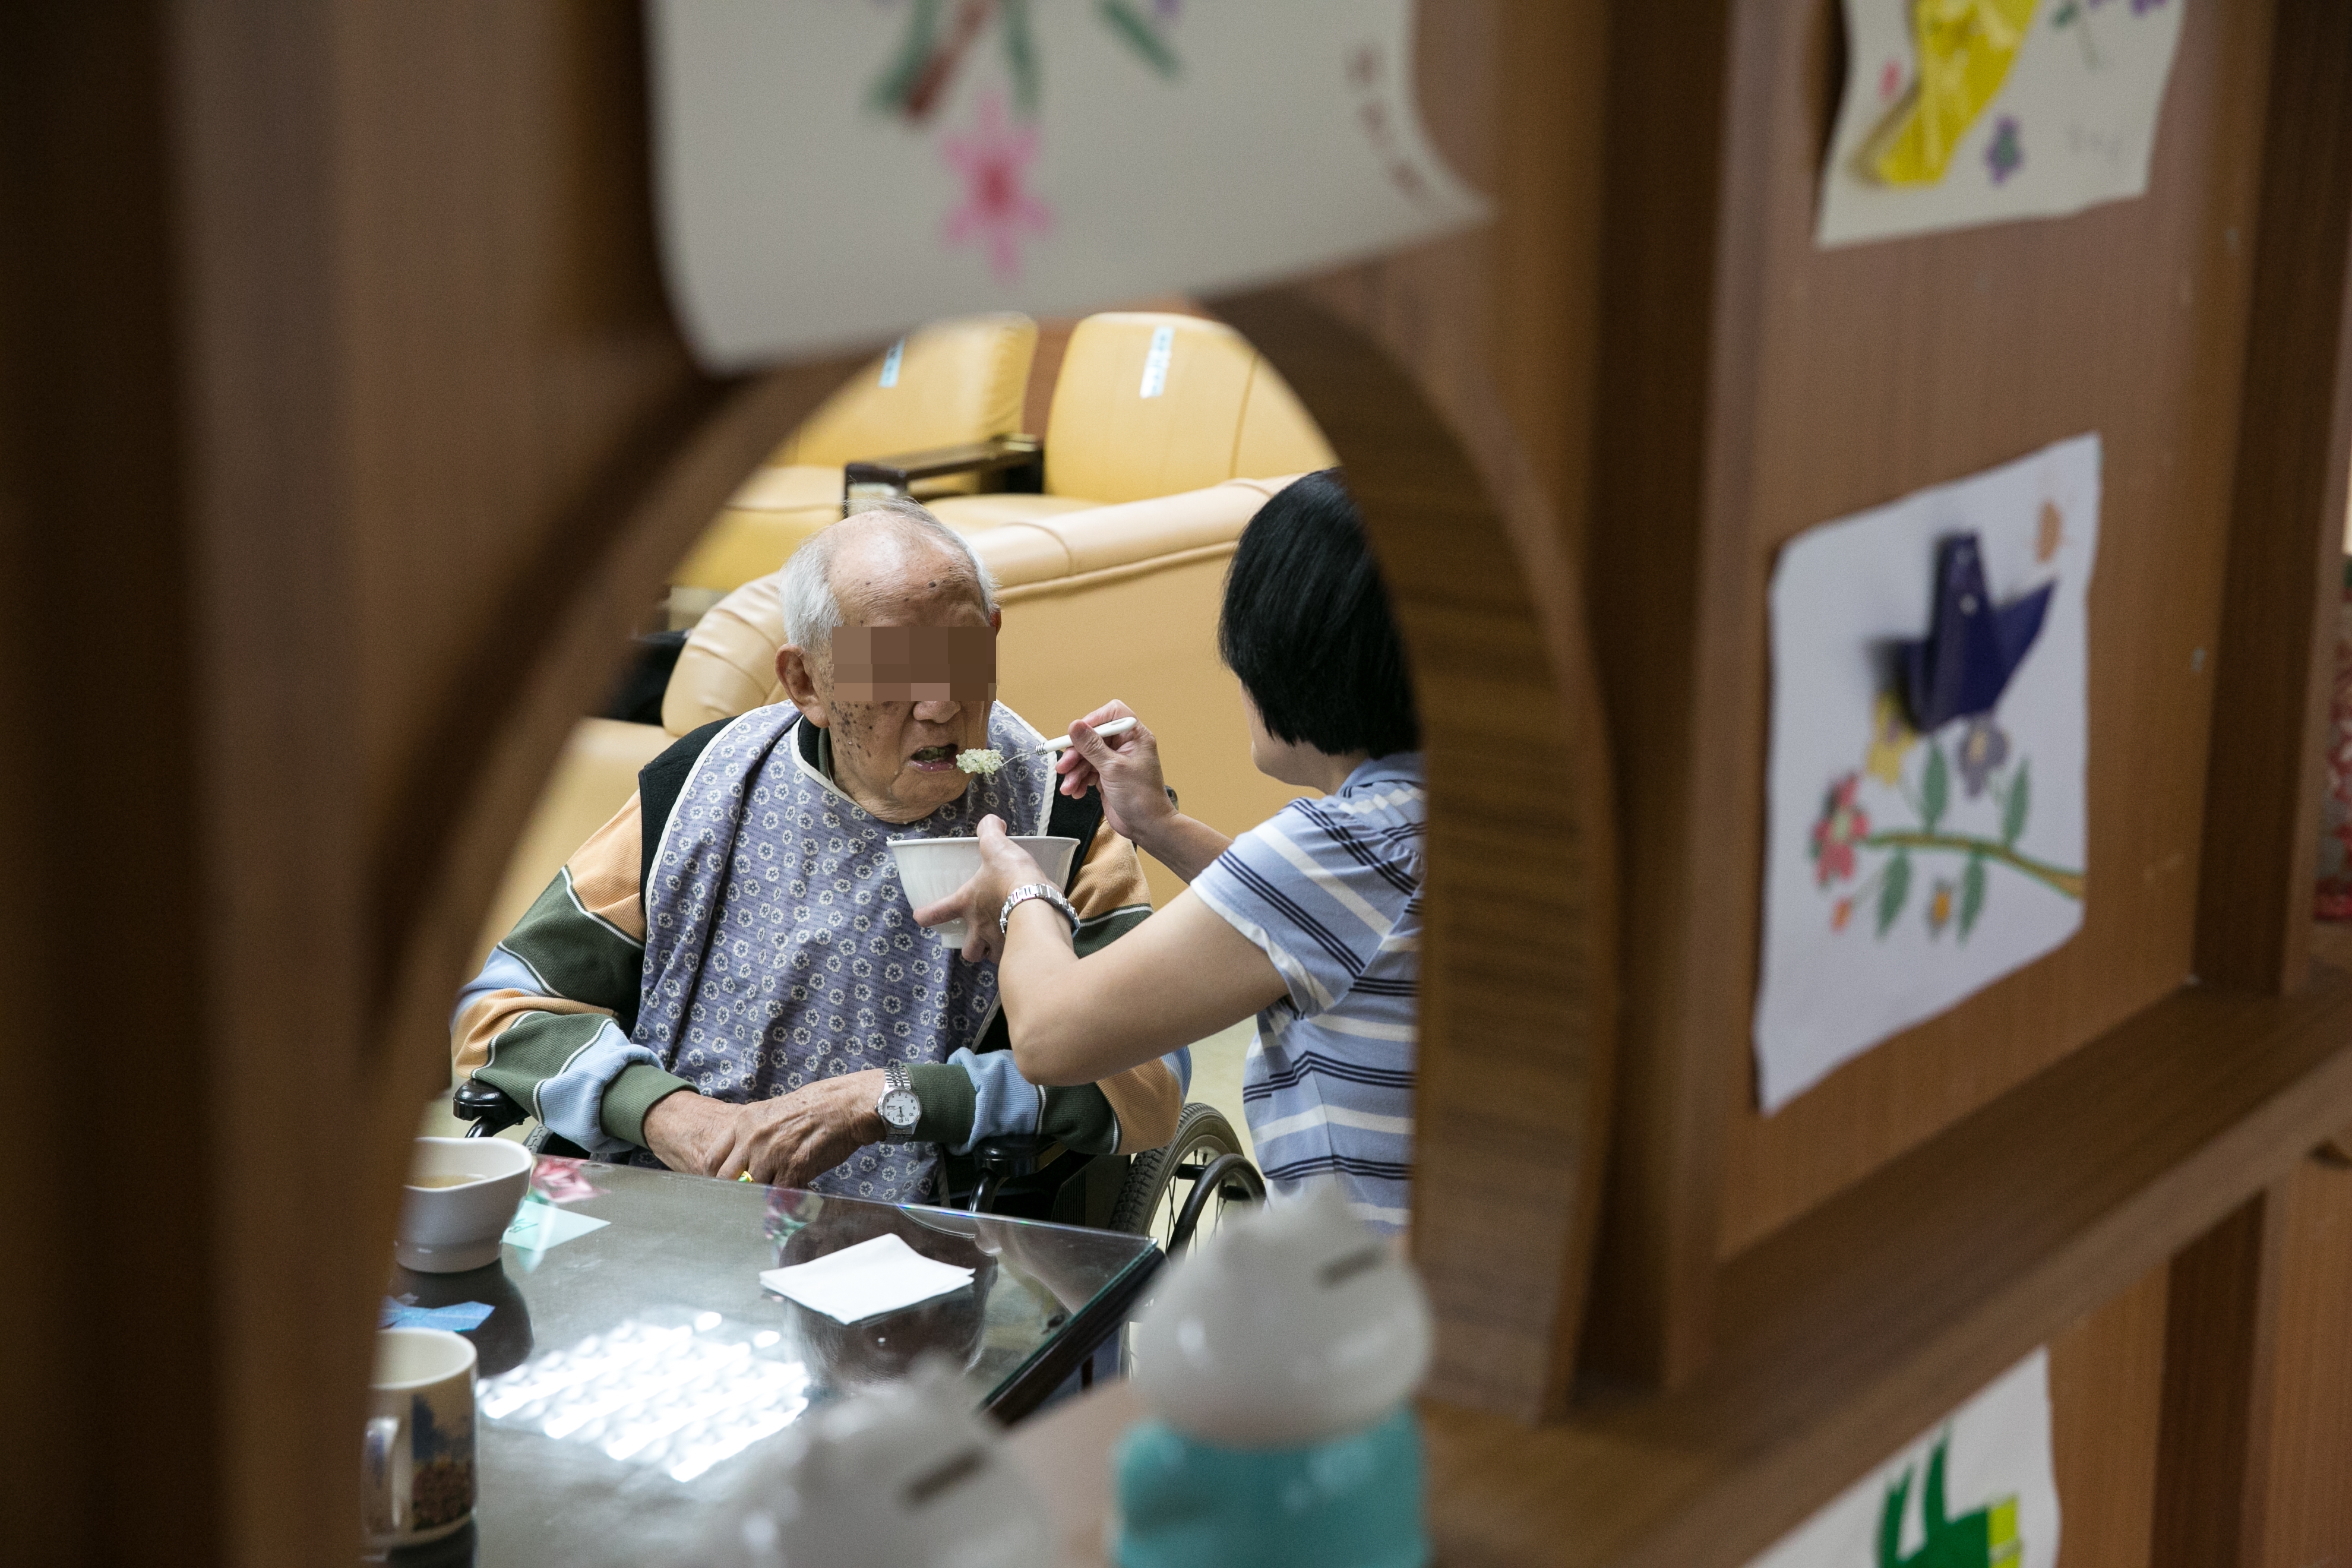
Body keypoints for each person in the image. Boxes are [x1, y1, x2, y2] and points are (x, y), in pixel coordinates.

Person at [450, 498, 1183, 1202]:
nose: (939, 704)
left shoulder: (1065, 816)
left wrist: (892, 1099)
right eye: (894, 670)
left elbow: (1147, 1083)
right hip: (662, 1193)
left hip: (920, 1239)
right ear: (806, 682)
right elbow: (501, 1010)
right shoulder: (699, 787)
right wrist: (668, 1116)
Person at [912, 470, 1422, 1232]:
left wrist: (1022, 886)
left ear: (1289, 659)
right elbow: (1308, 922)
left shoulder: (1344, 847)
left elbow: (1054, 1037)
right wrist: (1154, 822)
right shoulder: (1420, 816)